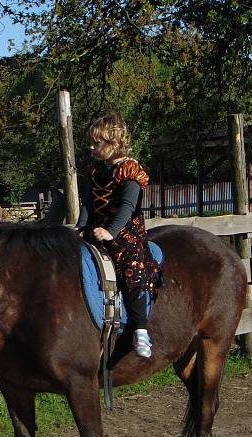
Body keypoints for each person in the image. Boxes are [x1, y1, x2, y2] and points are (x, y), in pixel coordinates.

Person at [76, 113, 162, 358]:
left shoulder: (130, 171)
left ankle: (140, 328)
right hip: (98, 228)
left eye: (97, 143)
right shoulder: (96, 171)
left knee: (132, 269)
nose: (91, 147)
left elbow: (127, 207)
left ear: (113, 143)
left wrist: (111, 232)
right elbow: (88, 203)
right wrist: (81, 227)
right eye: (90, 143)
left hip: (125, 232)